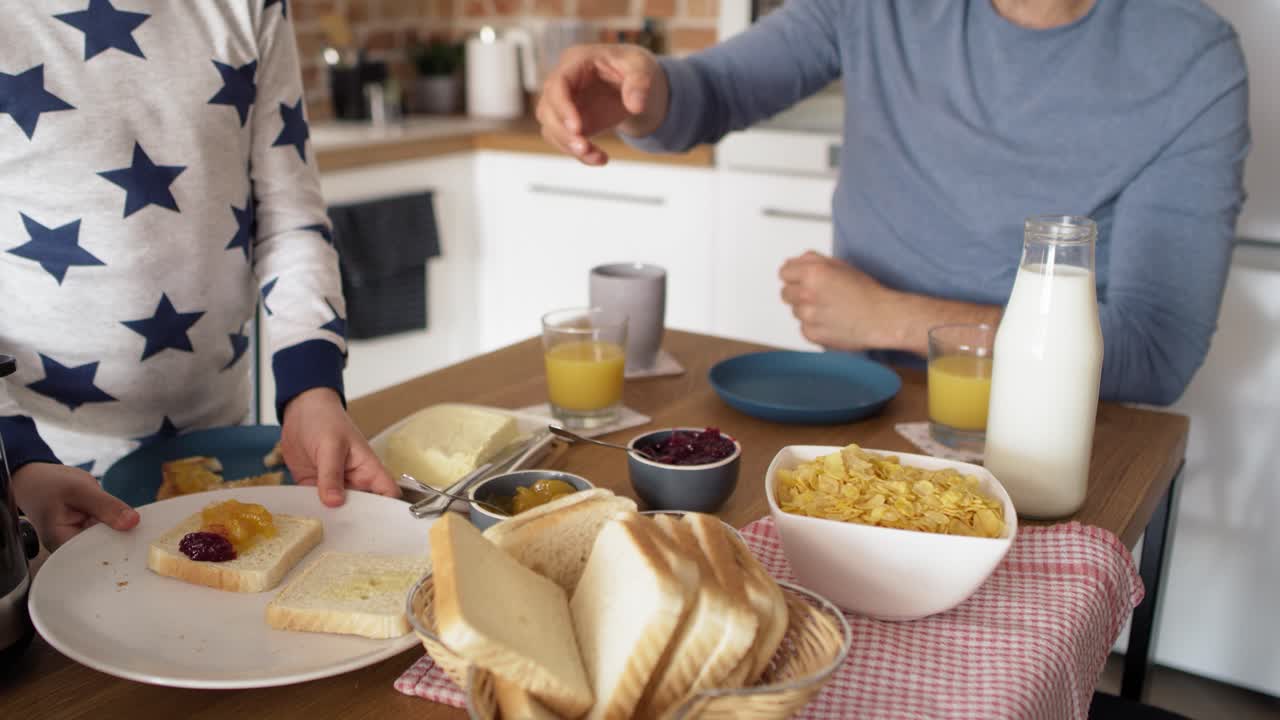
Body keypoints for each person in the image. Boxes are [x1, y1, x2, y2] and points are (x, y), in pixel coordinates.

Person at [535, 0, 1250, 406]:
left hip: (1058, 421)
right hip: (867, 400)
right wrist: (639, 93)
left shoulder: (1190, 56)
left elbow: (1154, 353)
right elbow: (715, 91)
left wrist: (890, 316)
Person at [0, 1, 398, 550]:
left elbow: (290, 220)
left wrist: (311, 387)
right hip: (38, 480)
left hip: (222, 451)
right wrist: (16, 458)